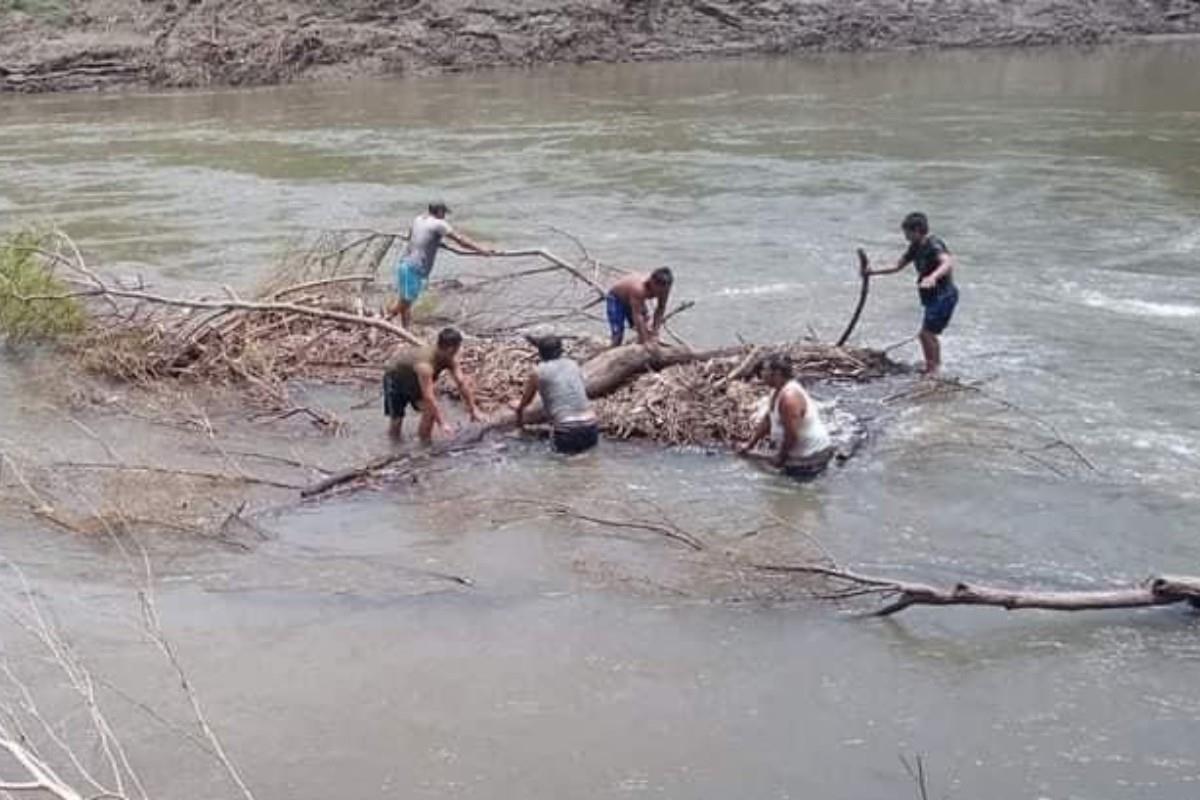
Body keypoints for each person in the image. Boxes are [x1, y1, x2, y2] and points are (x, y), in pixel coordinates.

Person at [863, 211, 959, 375]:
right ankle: (932, 367)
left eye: (907, 232)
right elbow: (897, 266)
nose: (905, 236)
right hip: (931, 297)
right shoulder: (915, 246)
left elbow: (948, 262)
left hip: (944, 295)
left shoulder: (934, 244)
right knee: (927, 334)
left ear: (916, 230)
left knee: (926, 334)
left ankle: (933, 370)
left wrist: (933, 277)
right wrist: (872, 271)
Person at [390, 201, 496, 329]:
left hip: (406, 264)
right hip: (414, 267)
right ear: (439, 212)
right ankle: (385, 318)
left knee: (407, 301)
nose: (444, 216)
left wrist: (434, 242)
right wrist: (482, 250)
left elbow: (413, 235)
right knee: (405, 302)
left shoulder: (418, 219)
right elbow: (460, 240)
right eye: (444, 213)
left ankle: (405, 330)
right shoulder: (440, 224)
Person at [739, 353, 834, 479]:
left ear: (777, 373)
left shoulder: (789, 397)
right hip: (795, 453)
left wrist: (780, 458)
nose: (761, 374)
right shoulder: (777, 390)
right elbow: (768, 419)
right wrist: (750, 445)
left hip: (809, 458)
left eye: (764, 370)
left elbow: (792, 436)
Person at [383, 327, 480, 442]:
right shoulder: (425, 366)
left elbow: (461, 383)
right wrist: (442, 424)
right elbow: (429, 397)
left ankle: (424, 443)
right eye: (459, 347)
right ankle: (395, 446)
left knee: (430, 412)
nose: (460, 350)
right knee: (397, 420)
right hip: (395, 378)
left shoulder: (449, 358)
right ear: (451, 349)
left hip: (416, 379)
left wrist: (473, 410)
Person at [514, 334, 600, 454]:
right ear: (561, 351)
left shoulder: (538, 372)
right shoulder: (573, 365)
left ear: (540, 354)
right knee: (588, 462)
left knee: (564, 465)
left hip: (566, 429)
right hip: (590, 425)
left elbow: (526, 401)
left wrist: (518, 410)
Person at [606, 267, 673, 347]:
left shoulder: (665, 288)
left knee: (647, 327)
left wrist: (655, 332)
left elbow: (660, 309)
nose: (661, 293)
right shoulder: (639, 289)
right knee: (618, 334)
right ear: (652, 283)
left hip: (635, 299)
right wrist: (644, 341)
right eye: (659, 291)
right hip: (616, 299)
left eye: (664, 290)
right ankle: (613, 351)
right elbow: (637, 316)